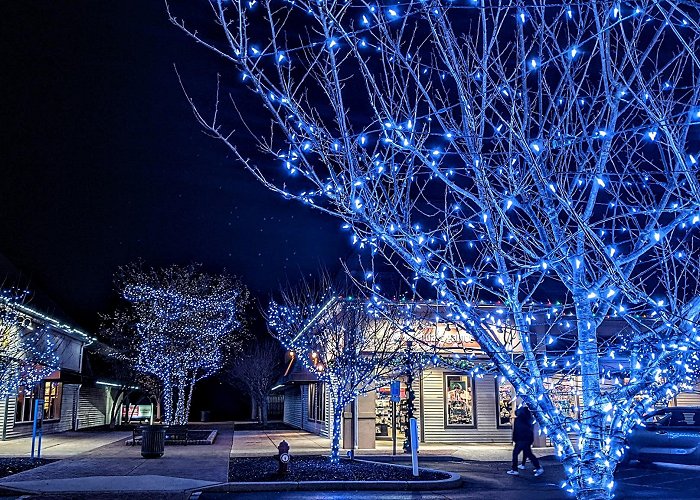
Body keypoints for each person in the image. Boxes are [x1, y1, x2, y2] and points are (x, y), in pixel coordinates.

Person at [507, 404, 544, 476]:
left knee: (516, 453)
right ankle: (537, 467)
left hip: (521, 439)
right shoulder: (528, 418)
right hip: (527, 439)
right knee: (528, 453)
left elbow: (517, 430)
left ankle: (514, 469)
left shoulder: (519, 419)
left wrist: (515, 439)